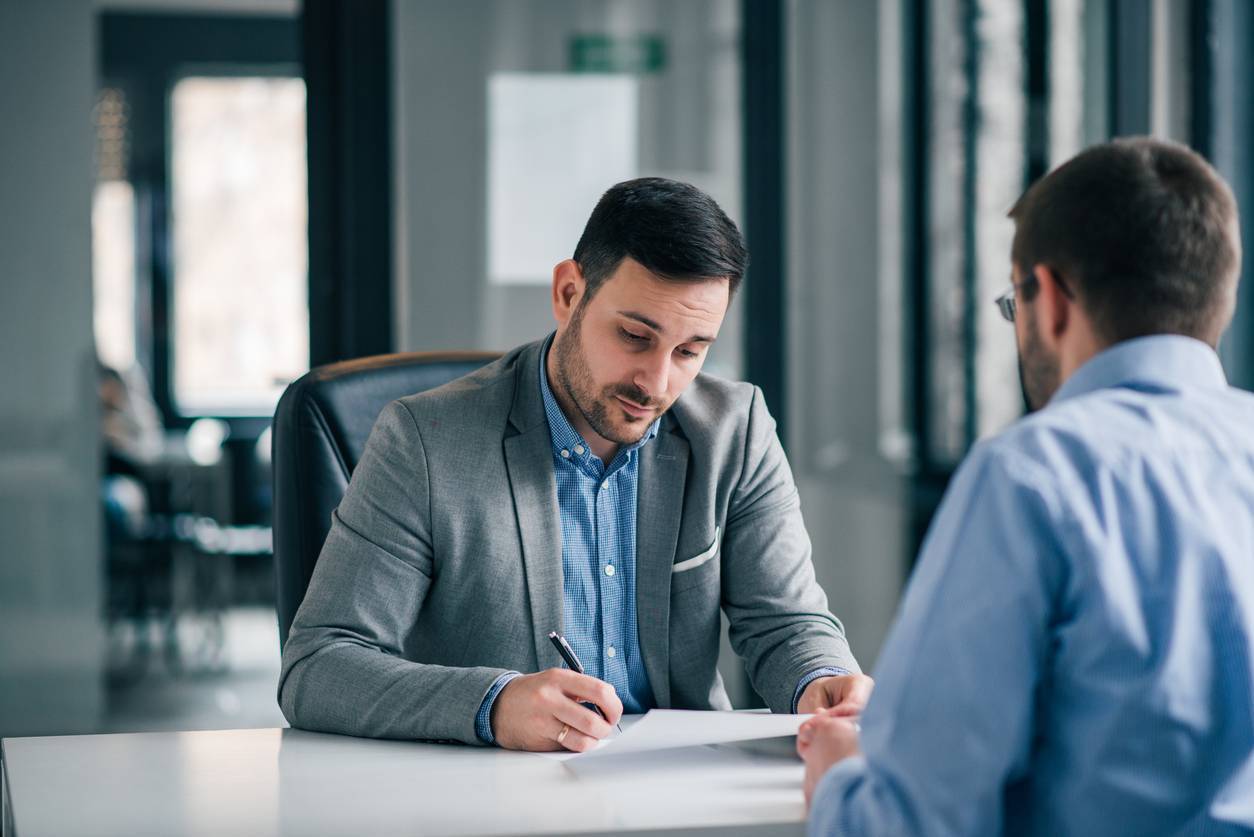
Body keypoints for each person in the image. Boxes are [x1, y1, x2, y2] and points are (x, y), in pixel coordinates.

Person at [280, 177, 873, 751]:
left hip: (683, 794)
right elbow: (318, 665)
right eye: (635, 336)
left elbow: (786, 624)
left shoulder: (734, 430)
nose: (657, 382)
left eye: (690, 351)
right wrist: (494, 704)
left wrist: (820, 680)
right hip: (494, 796)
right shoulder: (424, 440)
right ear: (569, 294)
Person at [800, 137, 1254, 835]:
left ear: (1052, 298)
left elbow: (913, 822)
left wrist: (838, 773)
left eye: (1015, 301)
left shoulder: (1033, 475)